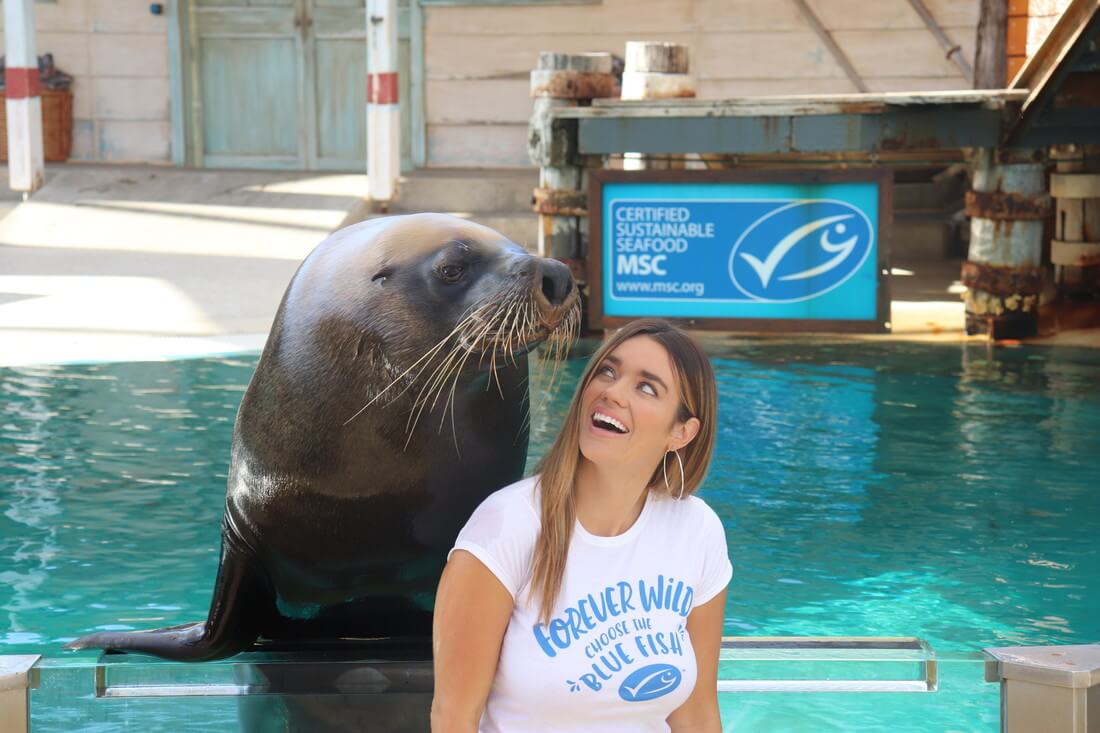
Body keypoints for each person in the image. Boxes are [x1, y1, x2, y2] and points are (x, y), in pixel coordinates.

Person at [432, 318, 732, 733]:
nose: (612, 391)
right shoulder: (507, 526)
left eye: (646, 387)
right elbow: (453, 719)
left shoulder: (698, 531)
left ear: (682, 433)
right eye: (608, 371)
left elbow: (696, 715)